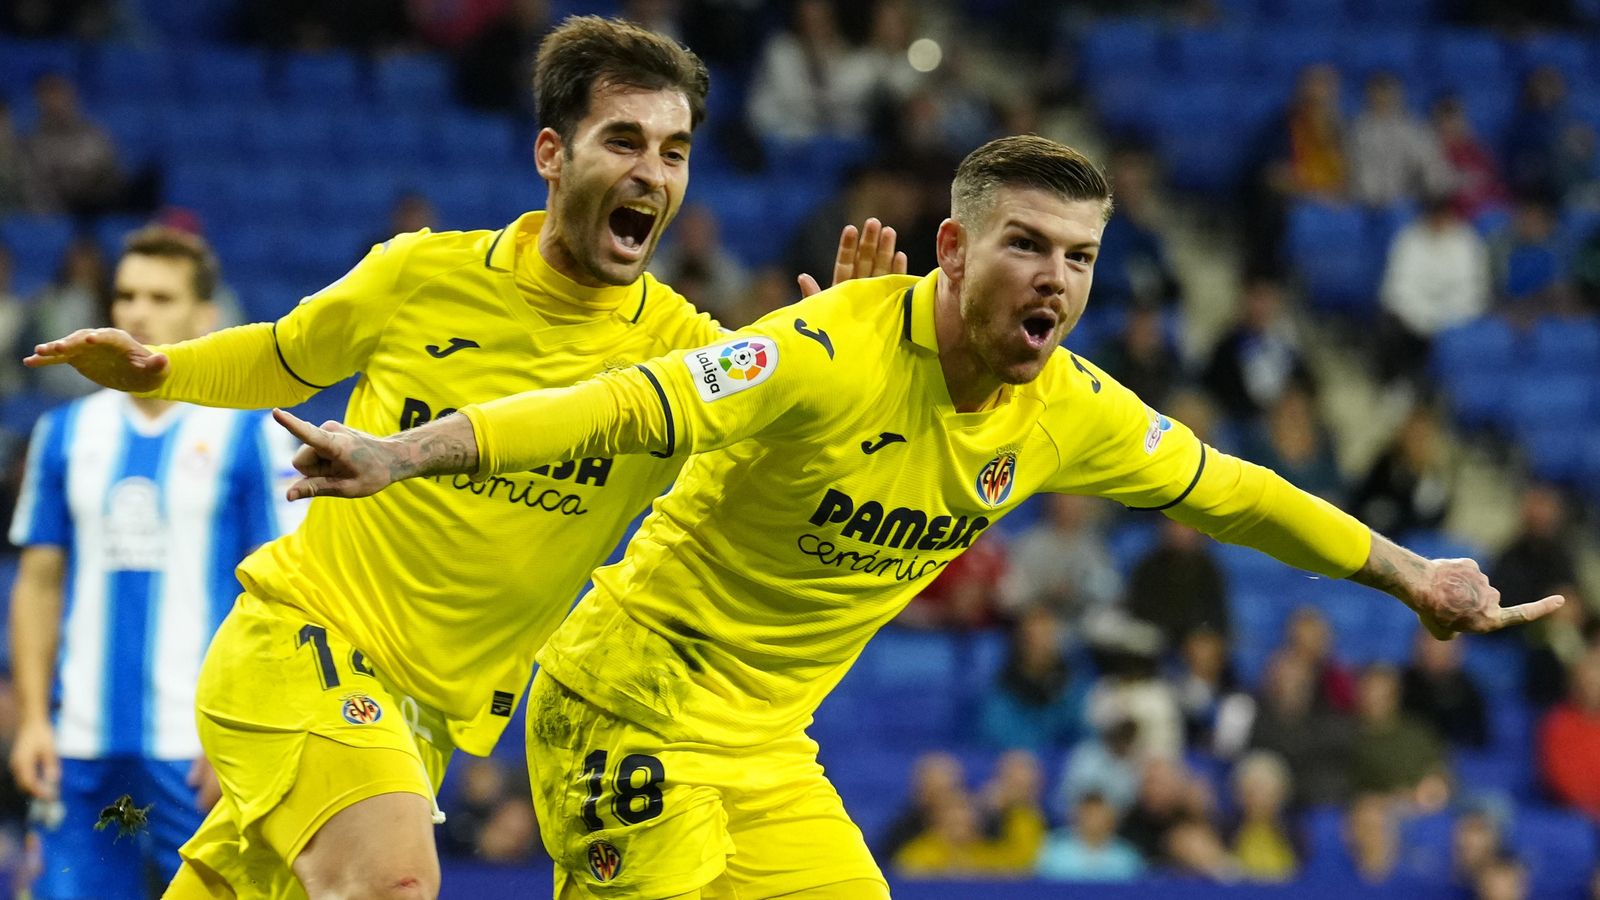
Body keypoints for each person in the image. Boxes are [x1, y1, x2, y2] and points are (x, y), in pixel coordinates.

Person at [276, 134, 1562, 899]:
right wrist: (408, 453)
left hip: (769, 746)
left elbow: (1234, 490)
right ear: (951, 247)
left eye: (1079, 257)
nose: (1054, 277)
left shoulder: (1070, 405)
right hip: (628, 703)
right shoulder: (829, 349)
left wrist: (1408, 575)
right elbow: (621, 404)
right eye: (1025, 245)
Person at [25, 17, 902, 898]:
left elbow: (798, 470)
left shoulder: (682, 355)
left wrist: (842, 371)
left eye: (675, 152)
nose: (651, 173)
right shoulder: (422, 275)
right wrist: (162, 367)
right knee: (395, 884)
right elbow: (285, 355)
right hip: (308, 645)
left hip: (427, 726)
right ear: (551, 153)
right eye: (623, 140)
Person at [9, 225, 299, 898]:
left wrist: (247, 733)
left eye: (162, 297)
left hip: (197, 754)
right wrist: (30, 721)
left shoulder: (247, 433)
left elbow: (280, 596)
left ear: (204, 316)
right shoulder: (65, 433)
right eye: (127, 295)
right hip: (82, 752)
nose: (138, 312)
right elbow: (39, 586)